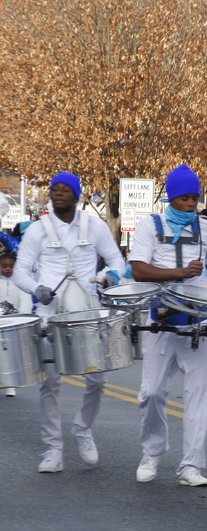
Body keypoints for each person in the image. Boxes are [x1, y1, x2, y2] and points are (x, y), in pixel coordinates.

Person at [130, 164, 207, 486]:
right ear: (172, 198)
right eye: (185, 198)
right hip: (160, 321)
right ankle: (152, 451)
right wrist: (179, 274)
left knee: (200, 396)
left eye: (195, 197)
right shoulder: (149, 226)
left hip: (196, 322)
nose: (192, 203)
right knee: (151, 393)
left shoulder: (206, 227)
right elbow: (138, 270)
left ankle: (191, 466)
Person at [13, 172, 126, 472]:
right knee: (49, 383)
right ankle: (53, 449)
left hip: (86, 313)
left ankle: (83, 428)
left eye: (65, 190)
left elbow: (117, 261)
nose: (58, 193)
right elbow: (20, 271)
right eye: (55, 189)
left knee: (97, 379)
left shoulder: (95, 226)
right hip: (49, 314)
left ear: (77, 196)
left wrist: (110, 276)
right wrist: (36, 288)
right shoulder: (37, 230)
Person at [0, 252, 34, 397]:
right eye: (4, 266)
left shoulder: (21, 283)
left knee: (11, 355)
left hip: (13, 323)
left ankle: (10, 385)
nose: (8, 269)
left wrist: (22, 318)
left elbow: (26, 302)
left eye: (11, 266)